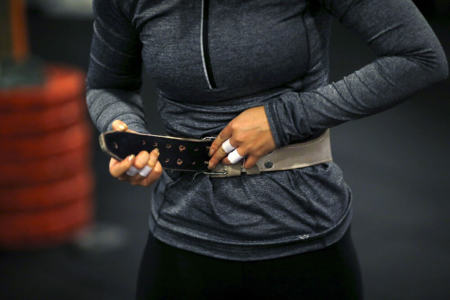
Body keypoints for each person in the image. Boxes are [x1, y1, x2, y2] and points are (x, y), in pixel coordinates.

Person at [86, 0, 448, 299]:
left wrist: (283, 119)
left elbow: (418, 56)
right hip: (181, 232)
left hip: (301, 230)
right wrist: (130, 137)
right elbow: (108, 85)